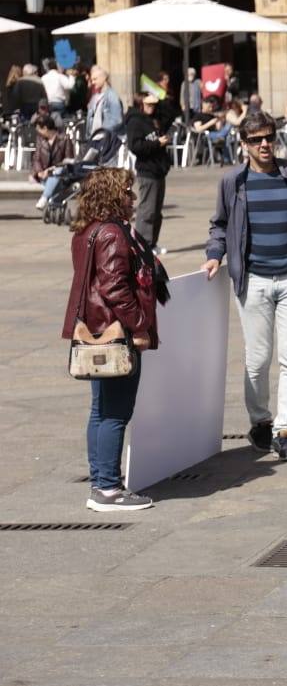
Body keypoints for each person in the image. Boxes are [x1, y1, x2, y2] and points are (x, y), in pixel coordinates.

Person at [201, 111, 287, 461]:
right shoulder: (233, 180)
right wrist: (214, 254)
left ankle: (285, 430)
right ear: (244, 144)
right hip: (254, 280)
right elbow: (219, 224)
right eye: (256, 140)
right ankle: (261, 420)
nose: (264, 144)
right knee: (258, 359)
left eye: (269, 137)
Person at [62, 168, 168, 512]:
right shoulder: (111, 233)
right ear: (111, 195)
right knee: (116, 412)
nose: (132, 197)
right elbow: (114, 287)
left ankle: (101, 482)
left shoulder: (88, 229)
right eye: (126, 191)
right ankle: (108, 489)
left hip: (94, 330)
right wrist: (138, 324)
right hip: (113, 331)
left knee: (101, 410)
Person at [124, 91, 174, 254]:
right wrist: (157, 143)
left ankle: (151, 243)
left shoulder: (154, 118)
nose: (152, 108)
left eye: (153, 105)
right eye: (148, 104)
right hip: (147, 169)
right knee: (147, 209)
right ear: (140, 104)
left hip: (159, 168)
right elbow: (136, 147)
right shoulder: (135, 121)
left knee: (157, 210)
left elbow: (170, 115)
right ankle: (142, 245)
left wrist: (160, 99)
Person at [32, 114, 75, 209]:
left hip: (61, 175)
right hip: (44, 176)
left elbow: (68, 160)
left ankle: (44, 198)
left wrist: (50, 170)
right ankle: (52, 203)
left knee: (57, 172)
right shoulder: (40, 140)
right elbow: (36, 158)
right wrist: (39, 172)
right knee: (53, 178)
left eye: (39, 129)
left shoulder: (65, 139)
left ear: (45, 128)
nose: (38, 132)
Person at [84, 66, 123, 155]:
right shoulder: (95, 97)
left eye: (95, 79)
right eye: (92, 80)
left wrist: (103, 134)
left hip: (106, 141)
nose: (93, 82)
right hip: (95, 140)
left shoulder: (112, 96)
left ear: (104, 78)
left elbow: (117, 120)